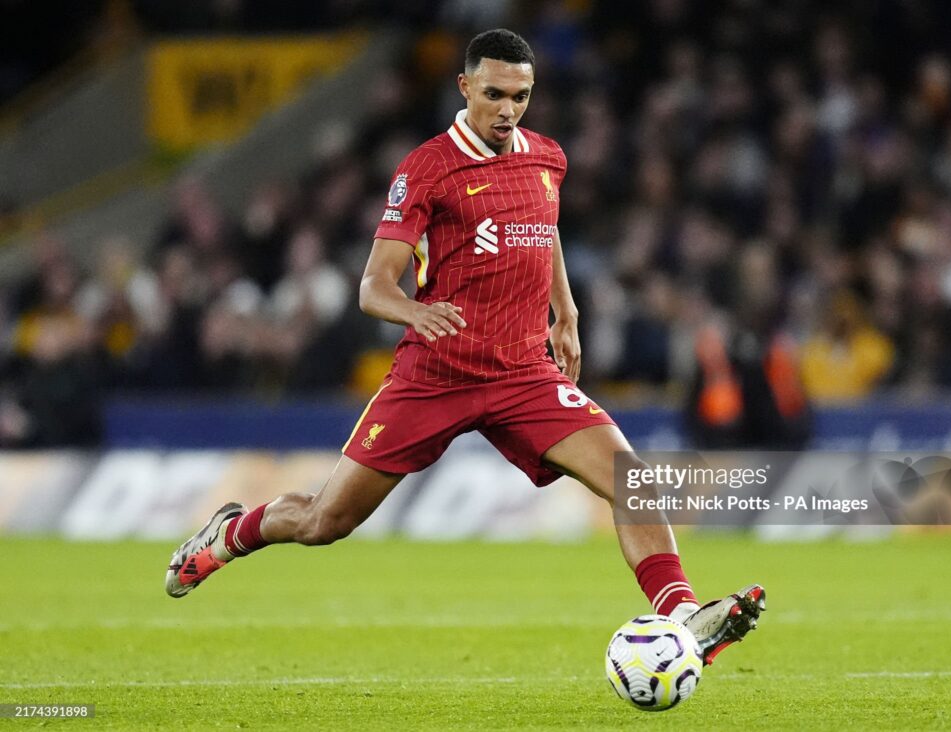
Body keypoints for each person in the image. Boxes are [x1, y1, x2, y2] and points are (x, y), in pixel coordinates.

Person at [165, 29, 764, 666]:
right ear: (465, 88)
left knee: (632, 481)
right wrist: (416, 312)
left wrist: (566, 309)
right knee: (324, 522)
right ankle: (229, 534)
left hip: (522, 372)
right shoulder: (427, 167)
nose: (508, 109)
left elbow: (544, 225)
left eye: (522, 97)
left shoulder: (547, 157)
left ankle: (681, 618)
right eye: (496, 94)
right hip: (437, 373)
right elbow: (373, 286)